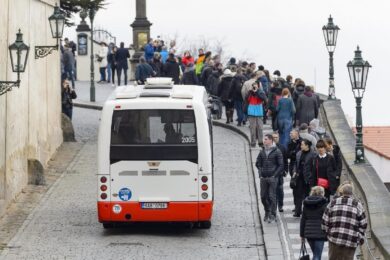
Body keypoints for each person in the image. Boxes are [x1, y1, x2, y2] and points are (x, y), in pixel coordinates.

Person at [322, 183, 367, 260]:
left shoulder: (333, 202)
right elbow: (364, 224)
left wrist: (328, 233)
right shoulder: (357, 205)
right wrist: (358, 237)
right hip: (350, 240)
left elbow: (325, 221)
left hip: (334, 238)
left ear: (341, 191)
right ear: (352, 192)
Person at [255, 134, 284, 223]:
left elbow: (281, 165)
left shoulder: (277, 151)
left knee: (272, 196)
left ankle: (273, 214)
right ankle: (267, 211)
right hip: (263, 177)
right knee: (263, 196)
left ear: (271, 140)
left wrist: (274, 175)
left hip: (272, 178)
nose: (264, 141)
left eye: (266, 139)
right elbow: (257, 163)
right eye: (264, 139)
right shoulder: (262, 151)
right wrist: (260, 173)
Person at [300, 186, 328, 260]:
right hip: (320, 233)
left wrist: (302, 235)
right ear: (322, 193)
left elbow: (303, 220)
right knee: (317, 256)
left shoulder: (306, 204)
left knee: (315, 254)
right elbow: (327, 219)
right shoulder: (324, 204)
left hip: (309, 233)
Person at [292, 139, 316, 217]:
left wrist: (311, 177)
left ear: (307, 146)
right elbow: (295, 163)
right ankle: (297, 211)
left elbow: (314, 167)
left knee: (307, 195)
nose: (301, 146)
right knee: (298, 195)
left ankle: (307, 212)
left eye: (302, 144)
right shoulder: (299, 153)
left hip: (308, 178)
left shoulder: (313, 154)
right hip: (299, 177)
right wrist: (294, 171)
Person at [244, 81, 267, 147]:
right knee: (252, 128)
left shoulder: (261, 92)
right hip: (251, 110)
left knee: (260, 128)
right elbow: (246, 99)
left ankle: (260, 142)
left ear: (258, 86)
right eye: (253, 85)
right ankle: (253, 142)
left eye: (256, 85)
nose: (254, 86)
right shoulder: (250, 92)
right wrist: (251, 92)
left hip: (259, 111)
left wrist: (257, 92)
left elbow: (264, 98)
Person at [272, 132, 288, 212]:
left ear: (278, 138)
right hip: (271, 174)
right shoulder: (267, 148)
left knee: (280, 190)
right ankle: (273, 207)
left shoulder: (282, 148)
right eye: (273, 137)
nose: (275, 139)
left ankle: (280, 205)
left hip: (280, 173)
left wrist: (286, 170)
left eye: (276, 137)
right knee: (272, 191)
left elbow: (285, 160)